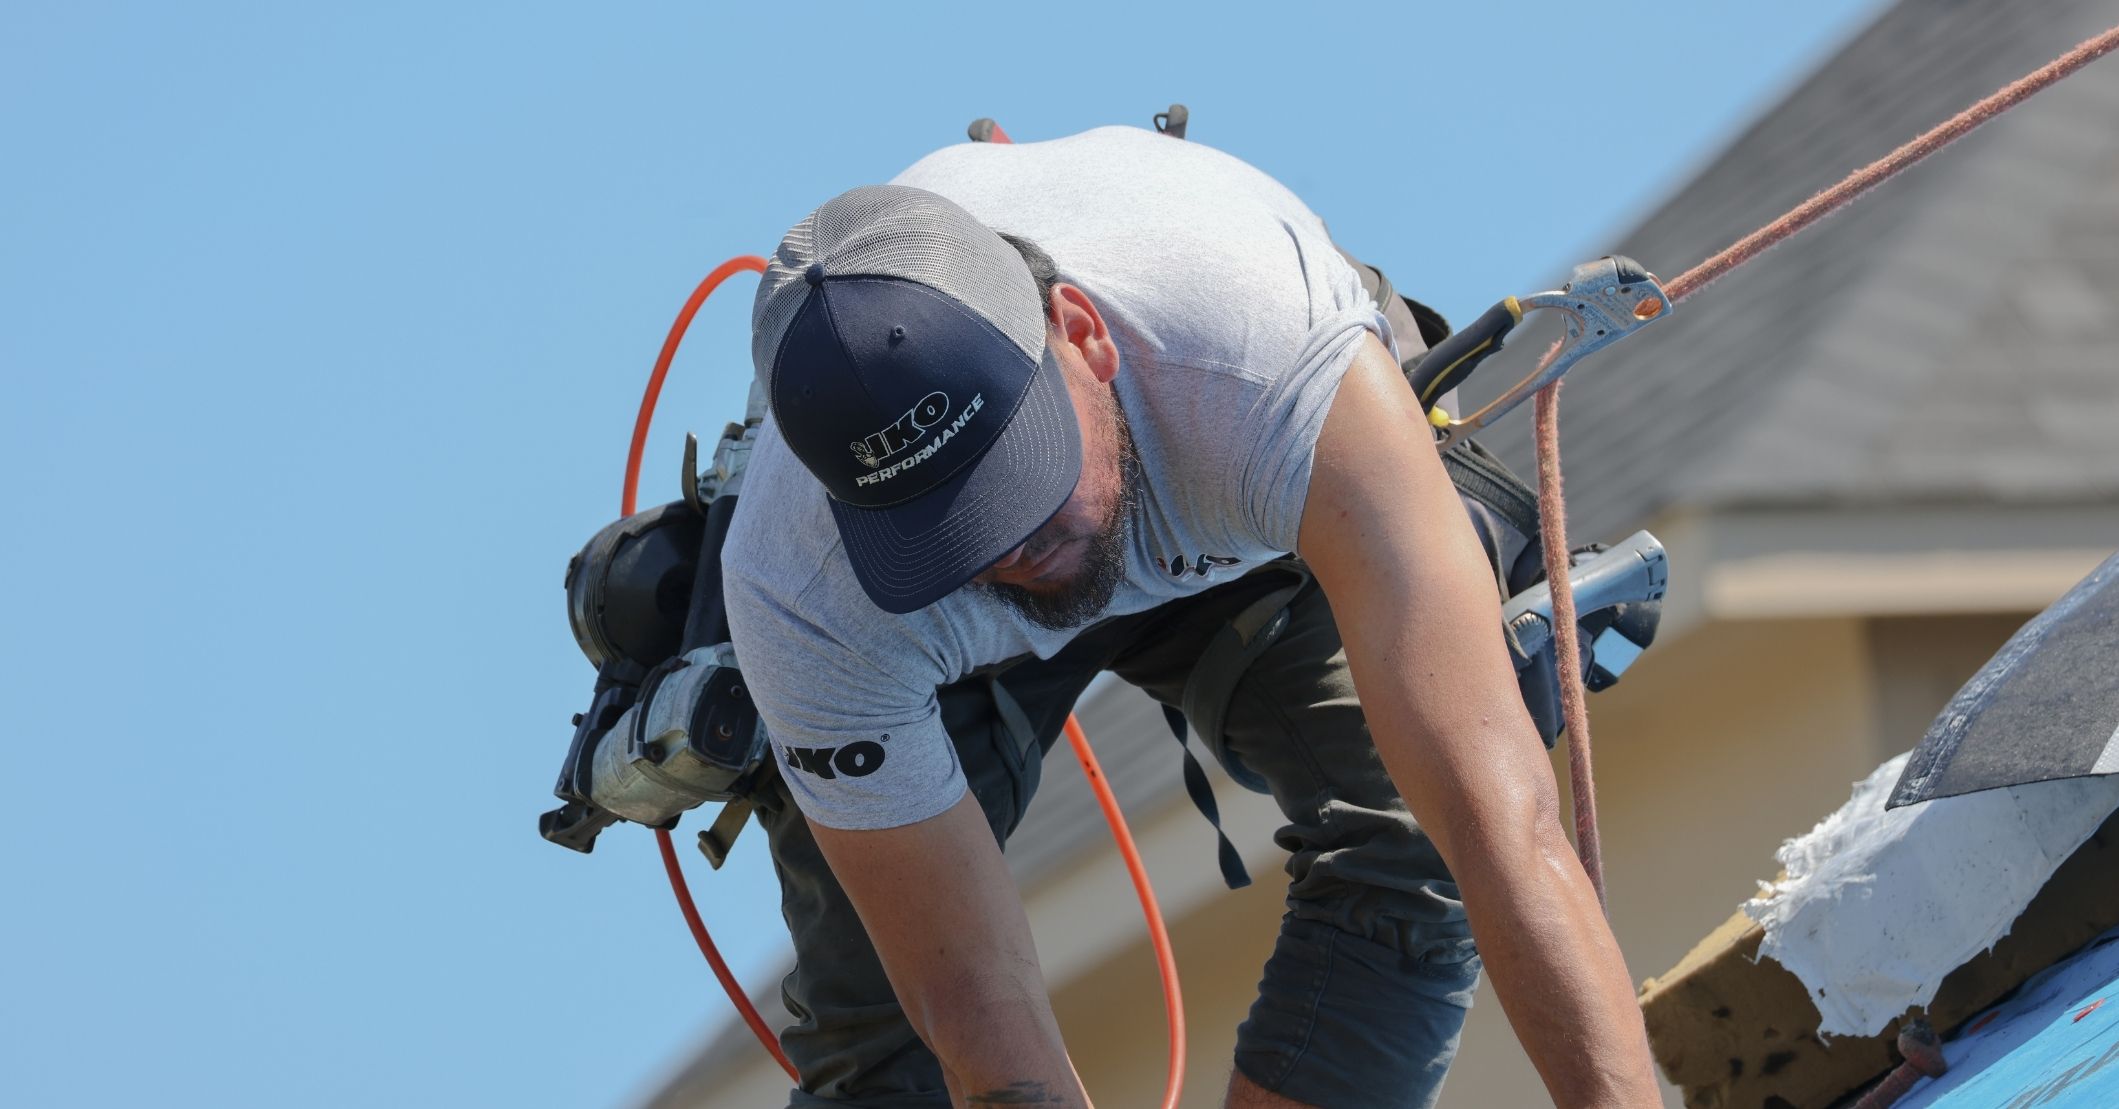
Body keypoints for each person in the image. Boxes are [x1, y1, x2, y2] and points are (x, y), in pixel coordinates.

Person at [721, 126, 1658, 1108]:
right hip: (950, 649)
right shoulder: (804, 592)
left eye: (1021, 478)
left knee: (1413, 848)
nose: (1013, 545)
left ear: (1082, 335)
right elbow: (980, 1020)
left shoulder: (1269, 358)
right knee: (888, 1062)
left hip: (1227, 492)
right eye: (952, 530)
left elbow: (1500, 824)